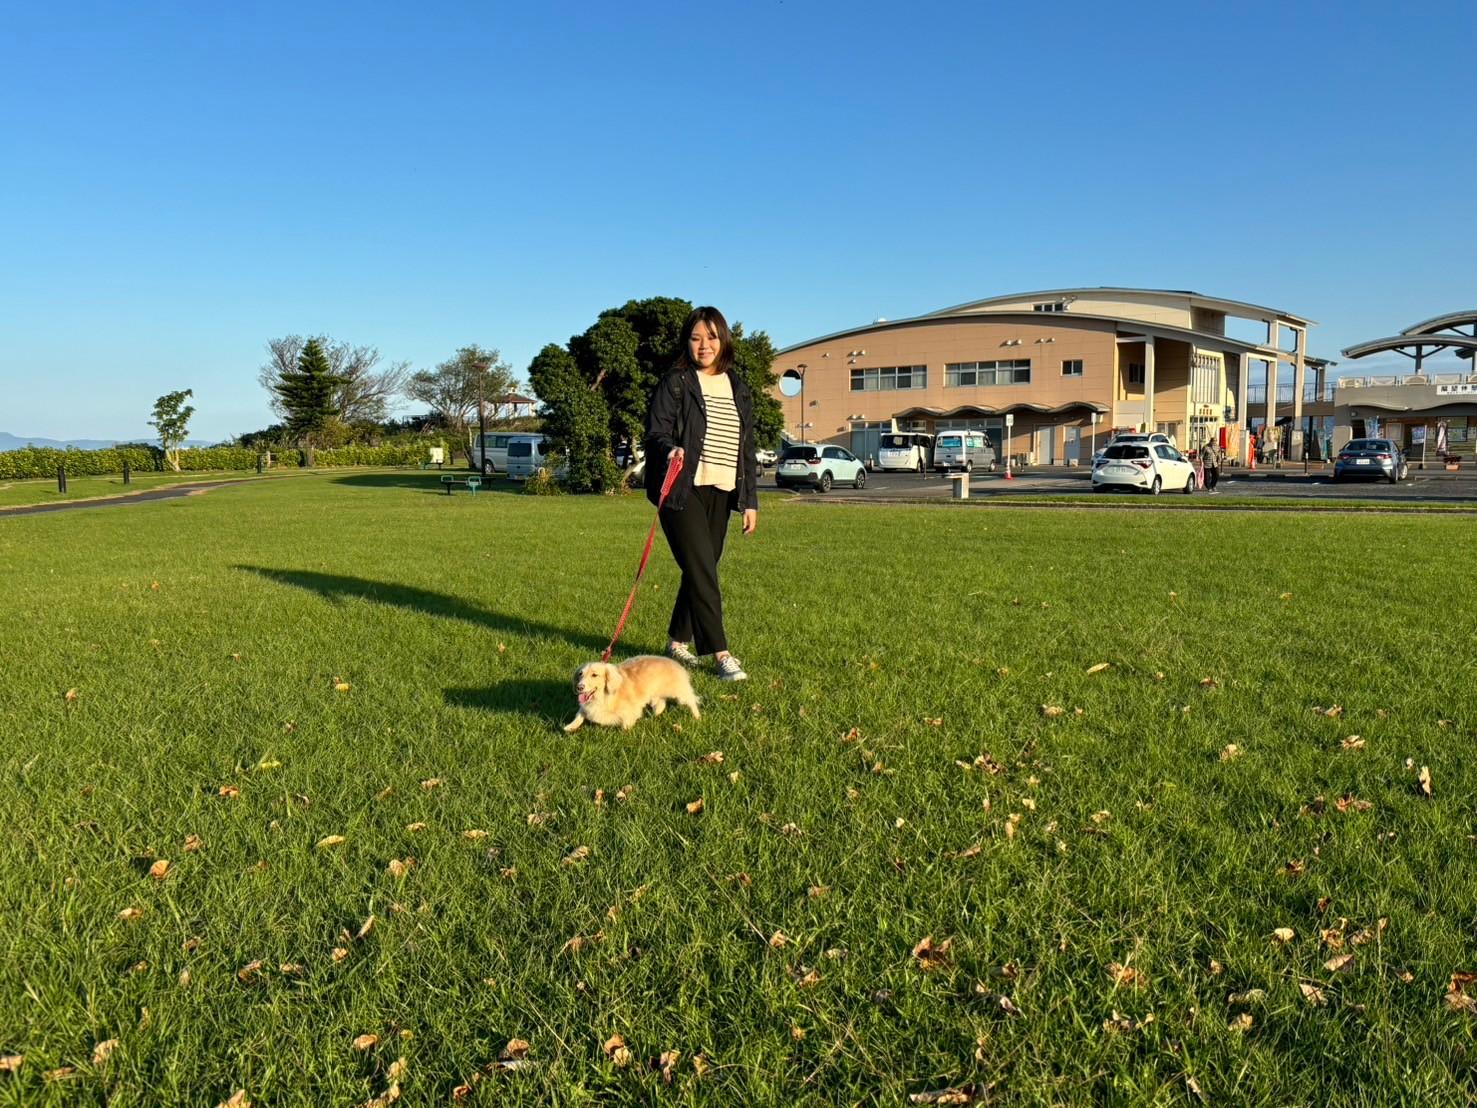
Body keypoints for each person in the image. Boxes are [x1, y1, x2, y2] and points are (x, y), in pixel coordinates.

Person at [644, 306, 759, 682]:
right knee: (703, 570)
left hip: (722, 490)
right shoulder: (676, 382)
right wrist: (670, 449)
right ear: (687, 343)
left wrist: (750, 501)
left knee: (700, 569)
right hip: (681, 490)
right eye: (695, 338)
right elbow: (656, 433)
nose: (704, 345)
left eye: (710, 337)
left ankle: (677, 641)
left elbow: (746, 448)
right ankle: (720, 653)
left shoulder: (738, 387)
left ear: (723, 339)